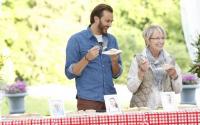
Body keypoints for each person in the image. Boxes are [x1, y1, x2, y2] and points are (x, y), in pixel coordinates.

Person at [65, 4, 122, 112]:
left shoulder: (112, 40)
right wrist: (86, 58)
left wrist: (114, 62)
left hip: (111, 100)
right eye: (107, 21)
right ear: (96, 19)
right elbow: (69, 73)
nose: (109, 24)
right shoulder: (76, 40)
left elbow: (116, 74)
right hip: (88, 101)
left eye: (111, 21)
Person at [127, 25, 182, 109]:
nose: (161, 41)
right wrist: (141, 73)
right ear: (148, 40)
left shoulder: (170, 60)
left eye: (163, 38)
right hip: (143, 110)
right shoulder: (139, 60)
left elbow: (178, 90)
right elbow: (131, 88)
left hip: (165, 109)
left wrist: (174, 75)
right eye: (157, 38)